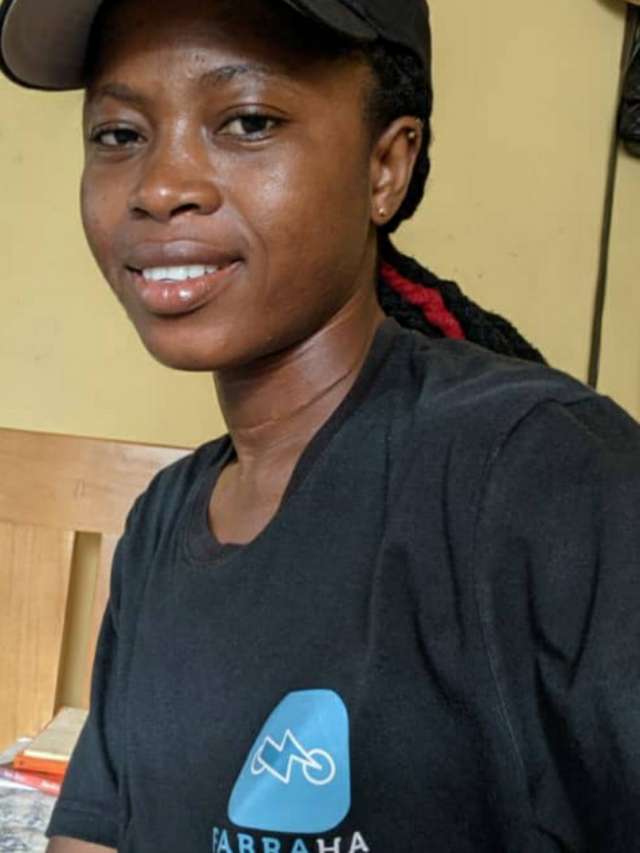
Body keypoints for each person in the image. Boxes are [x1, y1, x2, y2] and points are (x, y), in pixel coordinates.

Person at [1, 0, 639, 850]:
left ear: (385, 168)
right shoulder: (160, 524)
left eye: (248, 122)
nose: (158, 187)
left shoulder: (544, 474)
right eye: (119, 135)